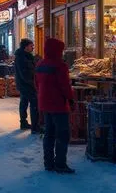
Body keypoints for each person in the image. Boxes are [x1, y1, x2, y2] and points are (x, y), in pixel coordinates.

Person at [35, 38, 75, 174]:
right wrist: (71, 99)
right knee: (63, 135)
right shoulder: (60, 65)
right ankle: (60, 164)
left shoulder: (40, 64)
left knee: (49, 134)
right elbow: (65, 86)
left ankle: (48, 163)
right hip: (58, 104)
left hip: (45, 104)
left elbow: (37, 84)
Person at [14, 39, 39, 133]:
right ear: (26, 46)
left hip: (24, 84)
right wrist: (33, 84)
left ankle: (23, 123)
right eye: (31, 46)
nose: (33, 47)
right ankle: (35, 127)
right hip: (26, 84)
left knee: (24, 103)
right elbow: (24, 73)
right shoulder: (22, 57)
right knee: (34, 104)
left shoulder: (25, 56)